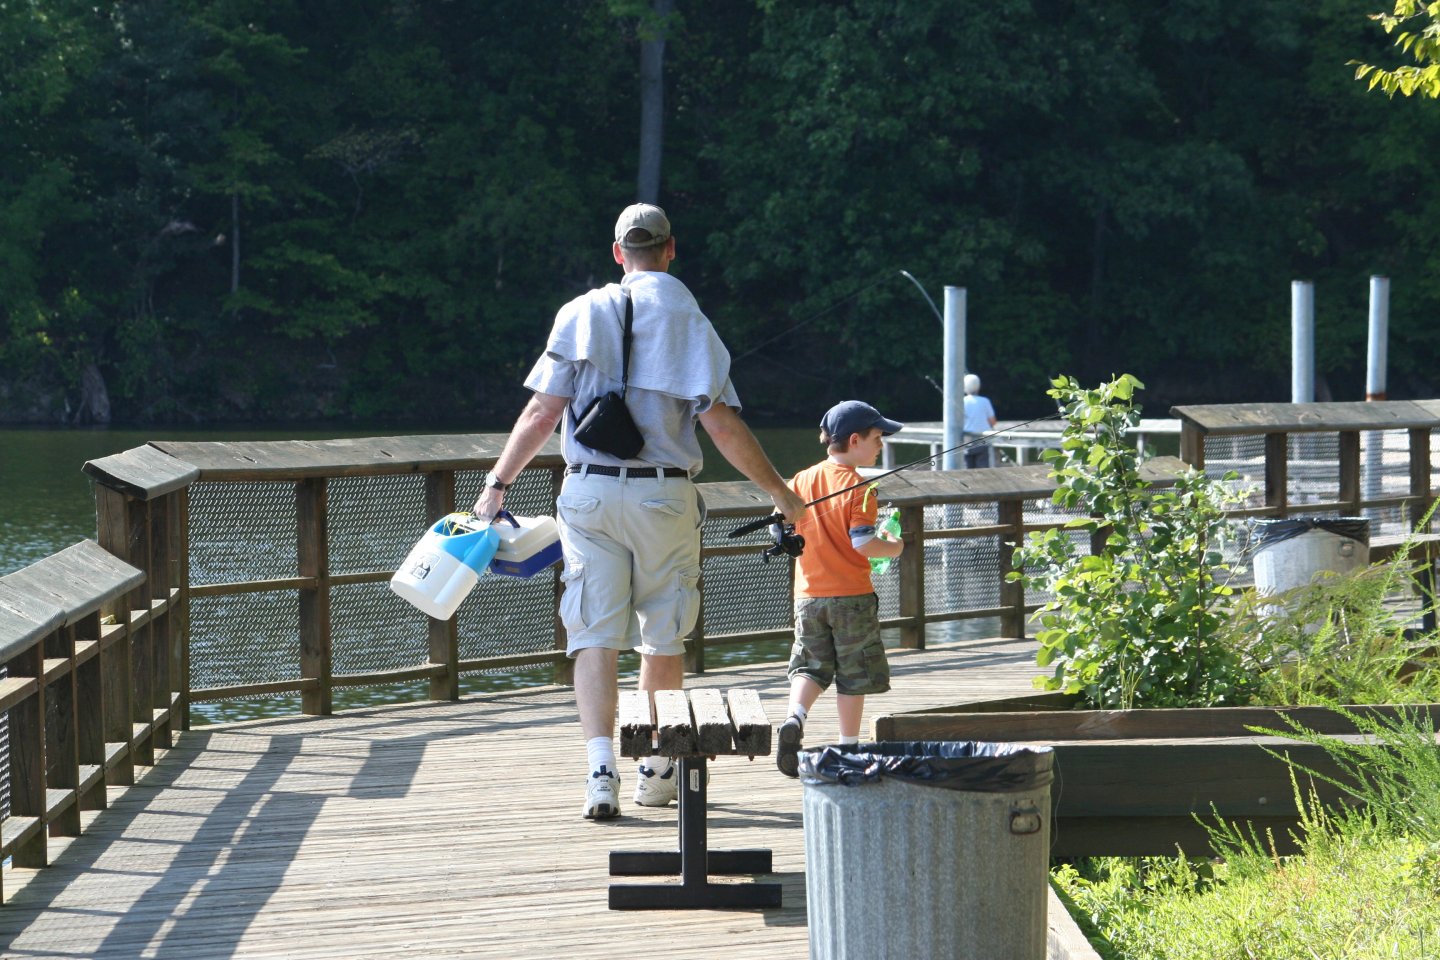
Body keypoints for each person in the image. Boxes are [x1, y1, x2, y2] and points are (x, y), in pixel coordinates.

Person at [472, 202, 806, 820]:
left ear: (618, 252)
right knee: (663, 630)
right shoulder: (688, 319)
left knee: (593, 633)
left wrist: (497, 485)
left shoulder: (579, 312)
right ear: (671, 250)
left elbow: (541, 414)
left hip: (588, 492)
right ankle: (656, 769)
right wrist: (781, 494)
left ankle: (601, 772)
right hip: (663, 495)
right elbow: (721, 425)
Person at [774, 400, 905, 777]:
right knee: (853, 672)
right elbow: (862, 544)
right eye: (877, 438)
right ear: (854, 440)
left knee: (809, 665)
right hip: (851, 596)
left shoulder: (800, 480)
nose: (880, 445)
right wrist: (895, 545)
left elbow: (778, 523)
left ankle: (795, 718)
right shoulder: (861, 487)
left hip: (808, 596)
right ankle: (849, 748)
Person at [962, 373, 998, 468]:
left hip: (967, 442)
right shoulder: (985, 401)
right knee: (983, 472)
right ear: (978, 386)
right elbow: (993, 422)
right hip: (983, 442)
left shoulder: (961, 402)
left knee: (967, 472)